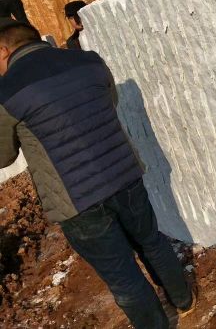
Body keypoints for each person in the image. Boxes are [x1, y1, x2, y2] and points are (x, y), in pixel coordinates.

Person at [0, 18, 195, 328]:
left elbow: (4, 156)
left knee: (122, 276)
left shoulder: (6, 91)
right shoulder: (88, 61)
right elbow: (109, 102)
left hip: (76, 200)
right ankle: (184, 301)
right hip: (123, 174)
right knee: (151, 241)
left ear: (3, 49)